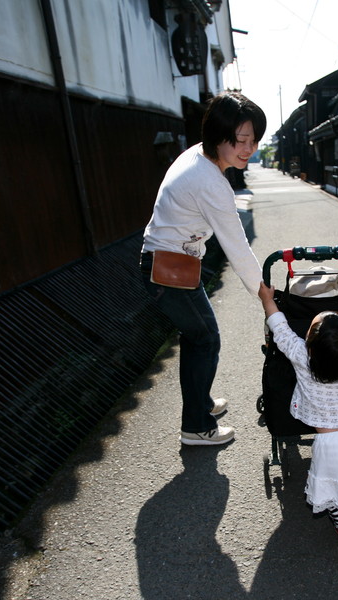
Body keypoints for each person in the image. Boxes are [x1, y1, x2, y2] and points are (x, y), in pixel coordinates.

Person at [139, 92, 267, 446]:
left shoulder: (197, 156)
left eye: (254, 140)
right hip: (167, 268)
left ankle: (201, 405)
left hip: (170, 263)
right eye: (241, 140)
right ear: (218, 135)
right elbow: (237, 246)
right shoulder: (211, 182)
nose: (249, 148)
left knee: (199, 338)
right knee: (205, 338)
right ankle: (196, 426)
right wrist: (266, 295)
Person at [258, 279, 338, 549]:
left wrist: (268, 300)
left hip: (331, 448)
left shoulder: (302, 357)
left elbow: (281, 330)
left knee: (337, 504)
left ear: (309, 347)